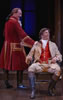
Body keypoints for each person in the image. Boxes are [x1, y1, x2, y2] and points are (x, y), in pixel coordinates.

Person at [0, 8, 34, 89]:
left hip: (6, 46)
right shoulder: (14, 22)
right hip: (15, 47)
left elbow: (4, 34)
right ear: (14, 13)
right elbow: (22, 34)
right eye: (19, 13)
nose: (21, 15)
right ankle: (19, 84)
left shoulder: (8, 21)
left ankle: (6, 82)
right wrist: (33, 43)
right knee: (21, 64)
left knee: (6, 65)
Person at [26, 28, 62, 99]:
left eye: (48, 32)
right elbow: (29, 55)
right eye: (46, 33)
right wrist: (29, 58)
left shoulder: (53, 44)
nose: (48, 34)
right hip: (39, 64)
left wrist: (56, 58)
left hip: (50, 64)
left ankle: (50, 89)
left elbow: (59, 55)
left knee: (58, 70)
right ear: (41, 35)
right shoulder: (36, 44)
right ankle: (33, 90)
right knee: (30, 68)